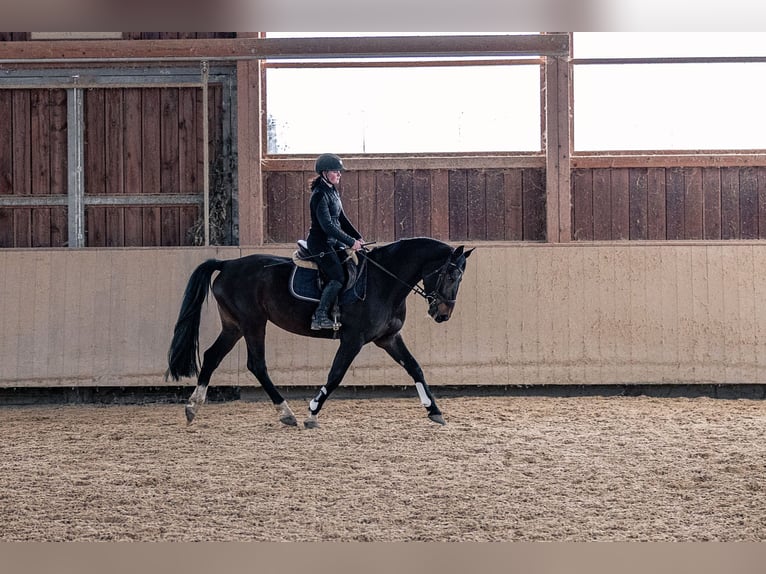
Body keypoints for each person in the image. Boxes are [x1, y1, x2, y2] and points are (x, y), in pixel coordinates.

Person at [306, 153, 364, 330]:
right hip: (320, 243)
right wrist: (350, 241)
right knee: (338, 276)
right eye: (335, 171)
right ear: (324, 173)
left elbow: (342, 219)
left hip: (333, 242)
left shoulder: (332, 191)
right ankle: (320, 315)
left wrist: (358, 237)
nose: (339, 174)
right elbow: (328, 226)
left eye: (340, 172)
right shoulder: (319, 195)